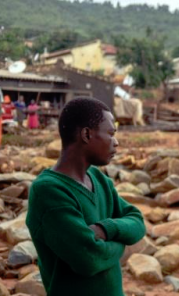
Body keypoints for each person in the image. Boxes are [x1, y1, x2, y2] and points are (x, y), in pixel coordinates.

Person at [26, 97, 145, 296]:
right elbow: (89, 259)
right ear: (87, 134)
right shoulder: (48, 191)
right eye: (110, 133)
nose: (116, 142)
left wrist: (104, 230)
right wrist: (122, 243)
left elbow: (138, 221)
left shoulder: (99, 179)